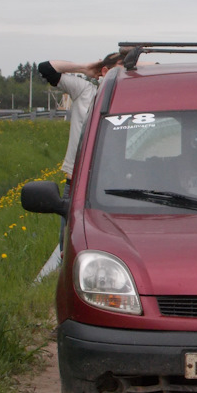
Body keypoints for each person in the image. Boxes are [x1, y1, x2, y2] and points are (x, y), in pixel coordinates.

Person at [37, 51, 123, 250]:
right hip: (77, 178)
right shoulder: (85, 92)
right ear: (104, 71)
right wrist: (85, 68)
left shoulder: (130, 101)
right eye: (118, 72)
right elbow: (47, 67)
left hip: (115, 181)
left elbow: (155, 65)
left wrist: (132, 58)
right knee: (69, 245)